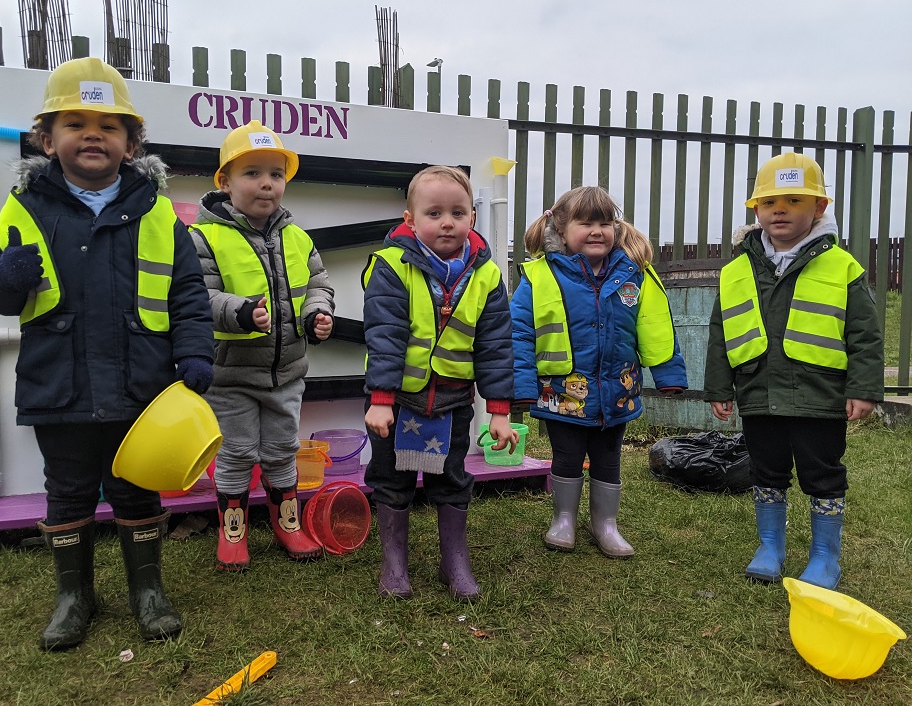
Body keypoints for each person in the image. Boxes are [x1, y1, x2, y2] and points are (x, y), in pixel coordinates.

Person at [0, 57, 215, 650]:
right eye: (74, 123)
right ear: (46, 139)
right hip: (61, 383)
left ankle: (147, 593)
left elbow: (187, 292)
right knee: (69, 490)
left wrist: (195, 353)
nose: (92, 135)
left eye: (108, 126)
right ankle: (73, 597)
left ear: (131, 144)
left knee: (137, 488)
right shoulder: (24, 207)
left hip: (143, 384)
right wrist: (4, 272)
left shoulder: (158, 212)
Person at [705, 152, 883, 590]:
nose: (778, 209)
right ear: (757, 212)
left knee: (822, 472)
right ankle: (770, 546)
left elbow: (865, 334)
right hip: (759, 393)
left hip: (819, 396)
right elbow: (719, 332)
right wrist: (718, 388)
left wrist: (863, 389)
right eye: (768, 203)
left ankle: (825, 558)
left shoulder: (843, 267)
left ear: (819, 208)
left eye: (793, 200)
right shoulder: (736, 270)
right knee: (767, 469)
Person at [363, 165, 517, 601]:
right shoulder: (390, 265)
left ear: (472, 216)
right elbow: (385, 336)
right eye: (434, 213)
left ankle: (455, 561)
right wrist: (380, 399)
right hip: (396, 401)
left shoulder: (486, 275)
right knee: (391, 478)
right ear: (410, 219)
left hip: (453, 402)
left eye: (458, 212)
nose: (447, 222)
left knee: (451, 477)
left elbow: (496, 346)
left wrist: (500, 412)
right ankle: (394, 565)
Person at [510, 186, 686, 559]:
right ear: (559, 227)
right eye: (585, 222)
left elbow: (656, 325)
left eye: (604, 223)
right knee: (567, 456)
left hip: (616, 392)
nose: (596, 231)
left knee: (609, 458)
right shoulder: (540, 275)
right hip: (562, 395)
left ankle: (606, 524)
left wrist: (669, 374)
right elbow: (520, 332)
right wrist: (522, 385)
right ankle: (564, 520)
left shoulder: (634, 274)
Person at [190, 120, 335, 572]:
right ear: (225, 182)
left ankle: (286, 523)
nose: (266, 183)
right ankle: (232, 531)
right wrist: (237, 310)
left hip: (287, 373)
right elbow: (198, 296)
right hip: (230, 377)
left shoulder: (298, 237)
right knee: (235, 453)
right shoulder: (204, 237)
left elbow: (318, 283)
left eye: (276, 173)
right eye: (252, 173)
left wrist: (316, 314)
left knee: (280, 450)